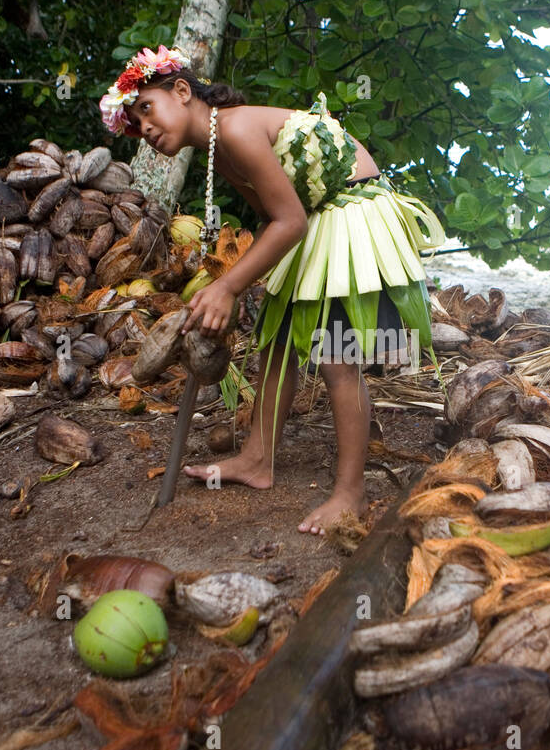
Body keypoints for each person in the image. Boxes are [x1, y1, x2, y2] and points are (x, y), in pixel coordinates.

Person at [99, 45, 444, 534]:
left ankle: (351, 492)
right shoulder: (217, 149)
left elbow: (291, 221)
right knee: (278, 335)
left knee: (335, 355)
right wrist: (237, 286)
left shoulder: (236, 129)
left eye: (147, 109)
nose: (144, 129)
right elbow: (270, 218)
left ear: (181, 91)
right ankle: (258, 458)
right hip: (313, 216)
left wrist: (228, 287)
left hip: (349, 209)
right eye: (133, 123)